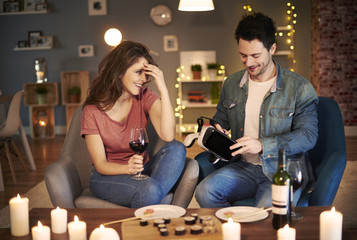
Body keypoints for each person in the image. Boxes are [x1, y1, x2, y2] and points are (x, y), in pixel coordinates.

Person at [195, 13, 318, 208]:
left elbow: (308, 136)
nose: (249, 62)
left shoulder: (299, 88)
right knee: (204, 192)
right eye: (243, 55)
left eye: (256, 55)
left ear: (272, 48)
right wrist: (217, 128)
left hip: (281, 170)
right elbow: (221, 118)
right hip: (242, 167)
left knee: (266, 212)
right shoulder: (232, 84)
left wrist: (262, 145)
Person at [81, 40, 186, 208]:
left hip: (142, 173)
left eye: (146, 74)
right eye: (138, 72)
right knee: (149, 189)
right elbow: (100, 164)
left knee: (177, 148)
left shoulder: (144, 96)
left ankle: (148, 196)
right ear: (119, 71)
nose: (144, 79)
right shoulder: (92, 111)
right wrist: (127, 169)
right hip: (107, 176)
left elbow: (168, 135)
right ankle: (151, 199)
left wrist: (163, 89)